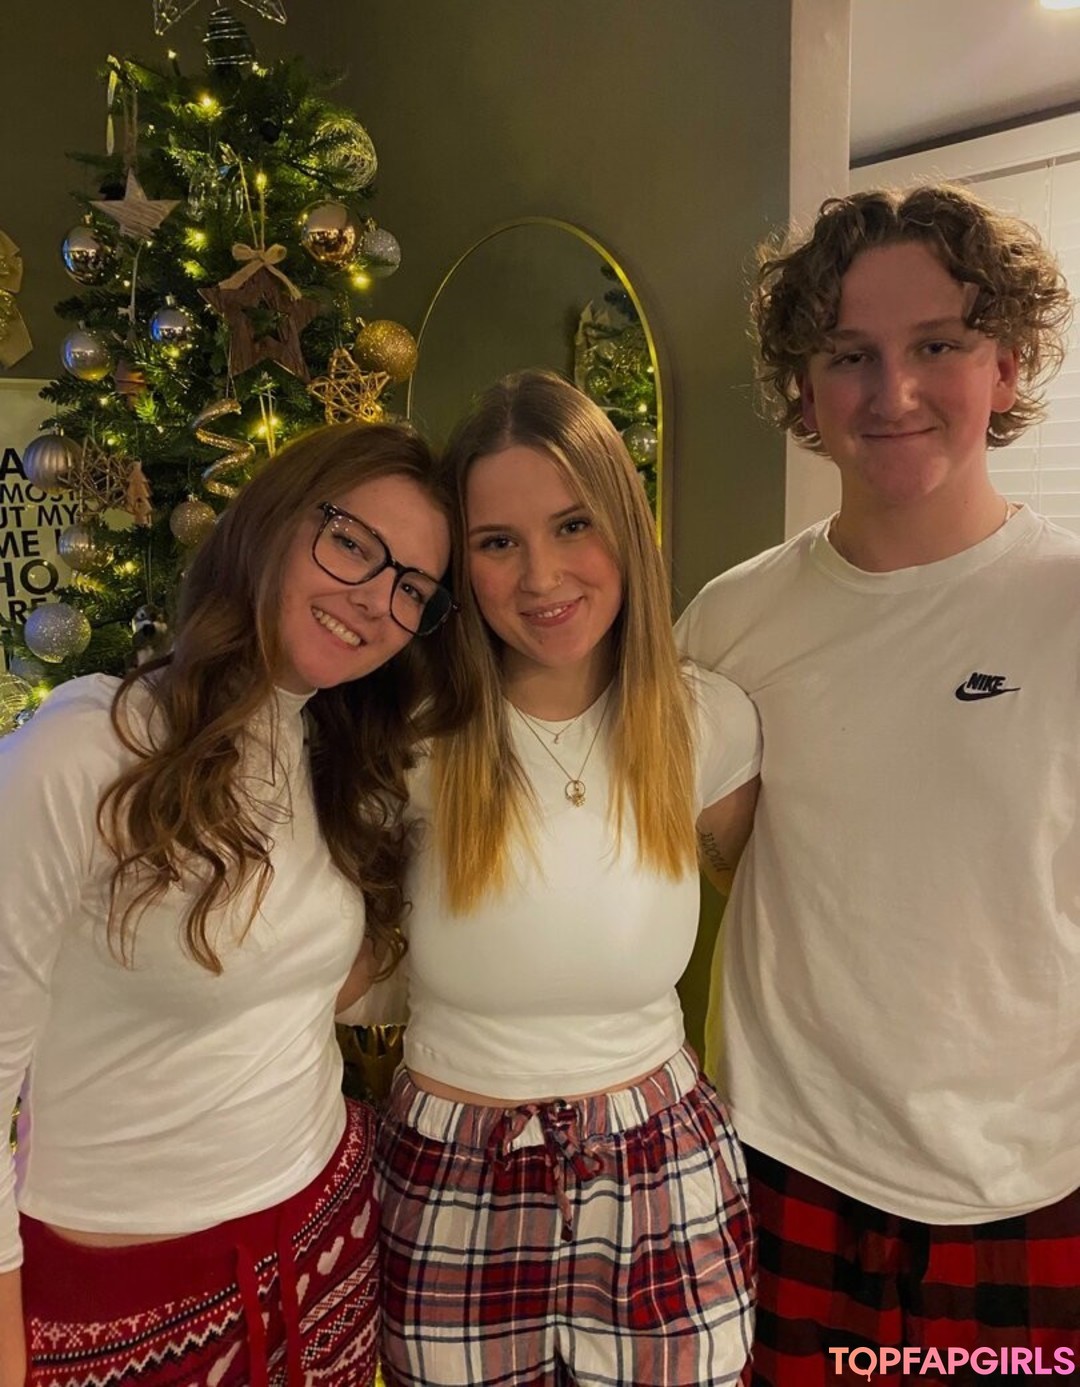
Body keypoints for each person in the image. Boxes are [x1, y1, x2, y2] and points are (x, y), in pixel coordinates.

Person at [676, 184, 1080, 1385]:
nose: (891, 391)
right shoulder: (729, 621)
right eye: (849, 354)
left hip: (1032, 1174)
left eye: (938, 345)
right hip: (784, 1161)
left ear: (1005, 366)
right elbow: (722, 852)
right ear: (803, 389)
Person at [0, 420, 474, 1387]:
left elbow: (301, 986)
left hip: (327, 1247)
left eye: (412, 588)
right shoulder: (86, 751)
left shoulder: (332, 757)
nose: (374, 598)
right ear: (273, 521)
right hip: (122, 1296)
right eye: (353, 542)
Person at [357, 369, 760, 1387]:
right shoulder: (408, 738)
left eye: (573, 524)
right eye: (498, 542)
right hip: (453, 1171)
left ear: (625, 522)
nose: (542, 576)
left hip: (662, 1167)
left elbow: (791, 902)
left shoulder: (705, 722)